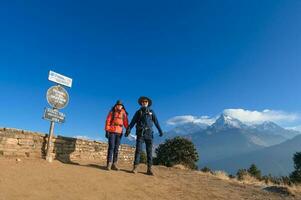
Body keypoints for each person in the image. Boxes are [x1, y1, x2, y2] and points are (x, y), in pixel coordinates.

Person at [125, 96, 163, 175]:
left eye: (146, 102)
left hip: (149, 133)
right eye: (143, 102)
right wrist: (128, 130)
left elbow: (156, 122)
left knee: (149, 151)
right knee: (138, 151)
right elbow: (132, 122)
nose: (144, 103)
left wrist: (160, 130)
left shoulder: (151, 111)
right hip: (140, 134)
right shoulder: (138, 112)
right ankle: (135, 168)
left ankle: (149, 169)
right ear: (141, 103)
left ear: (148, 103)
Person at [105, 100, 129, 171]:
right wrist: (107, 130)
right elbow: (108, 121)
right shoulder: (112, 112)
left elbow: (125, 122)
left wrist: (127, 129)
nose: (119, 106)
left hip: (119, 132)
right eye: (118, 105)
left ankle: (114, 164)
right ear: (116, 105)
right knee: (111, 147)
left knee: (116, 148)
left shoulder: (123, 113)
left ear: (122, 106)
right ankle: (109, 164)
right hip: (112, 131)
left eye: (121, 105)